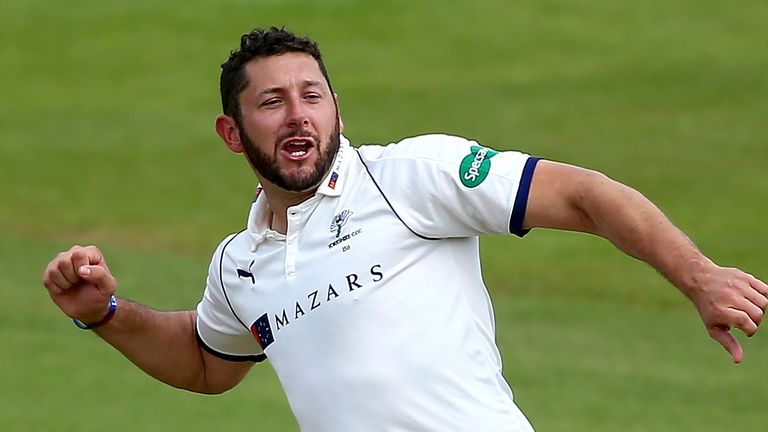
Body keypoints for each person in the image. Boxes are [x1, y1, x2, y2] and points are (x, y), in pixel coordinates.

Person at [42, 26, 767, 432]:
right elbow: (205, 362)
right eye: (272, 103)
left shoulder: (410, 176)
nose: (299, 115)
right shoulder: (240, 265)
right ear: (233, 133)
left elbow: (582, 195)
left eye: (312, 96)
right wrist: (104, 313)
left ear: (336, 110)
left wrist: (698, 276)